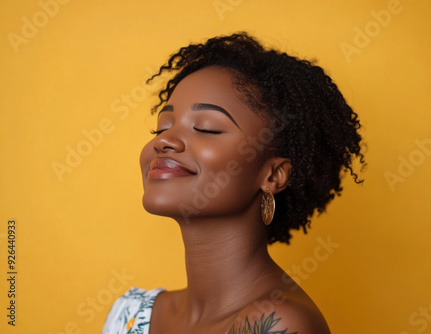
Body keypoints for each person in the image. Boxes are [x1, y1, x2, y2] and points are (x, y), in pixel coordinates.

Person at [102, 32, 364, 334]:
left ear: (273, 175)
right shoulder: (131, 314)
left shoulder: (279, 326)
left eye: (206, 128)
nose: (165, 141)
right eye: (162, 126)